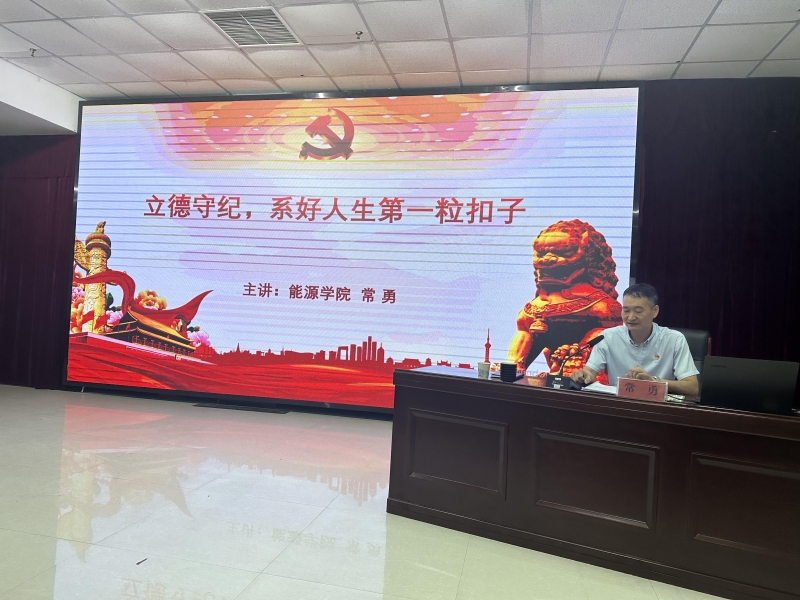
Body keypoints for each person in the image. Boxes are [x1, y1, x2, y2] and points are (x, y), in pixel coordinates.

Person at [571, 283, 700, 396]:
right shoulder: (608, 337)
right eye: (626, 310)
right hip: (619, 407)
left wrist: (653, 382)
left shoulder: (674, 340)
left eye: (638, 311)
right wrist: (583, 375)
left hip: (657, 409)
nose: (631, 317)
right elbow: (590, 372)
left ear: (655, 311)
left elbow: (692, 387)